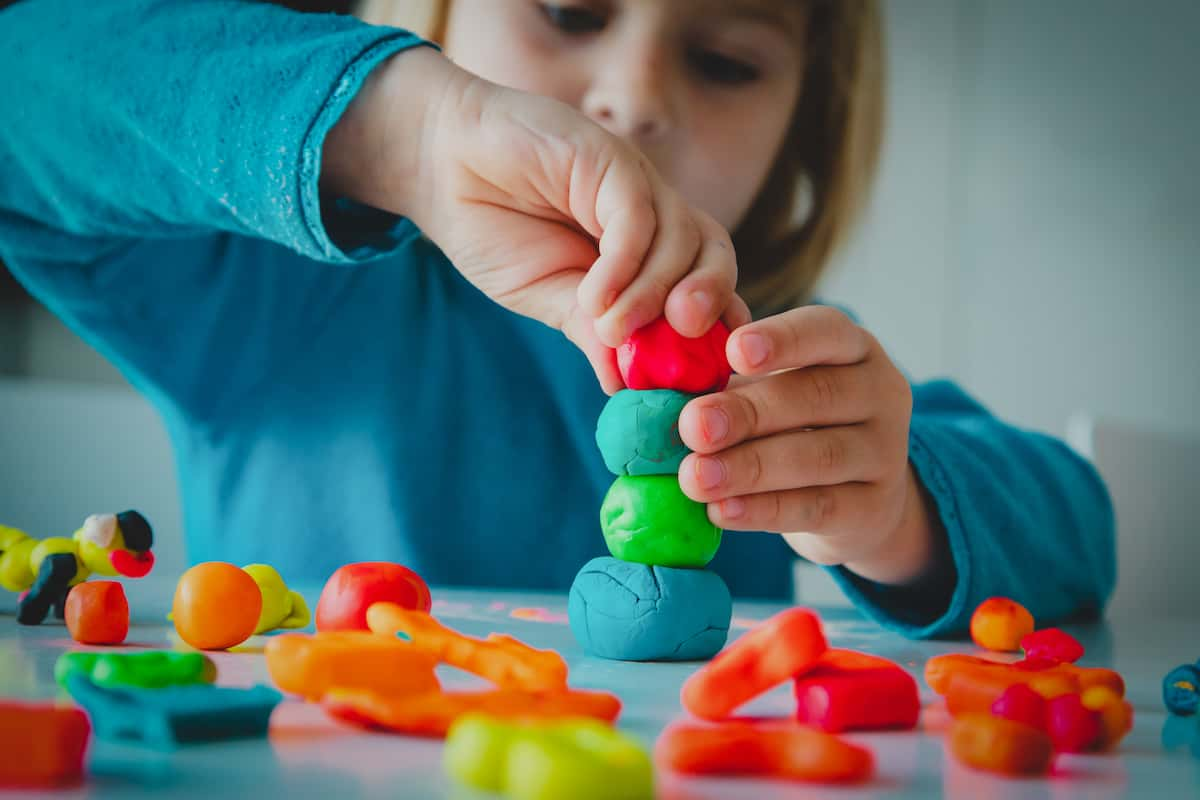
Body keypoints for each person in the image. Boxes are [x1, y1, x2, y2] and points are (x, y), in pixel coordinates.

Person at [0, 0, 1114, 637]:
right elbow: (21, 83)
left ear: (803, 138)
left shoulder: (773, 363)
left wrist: (894, 508)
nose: (635, 97)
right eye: (569, 9)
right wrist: (403, 132)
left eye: (727, 59)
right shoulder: (269, 306)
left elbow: (1080, 525)